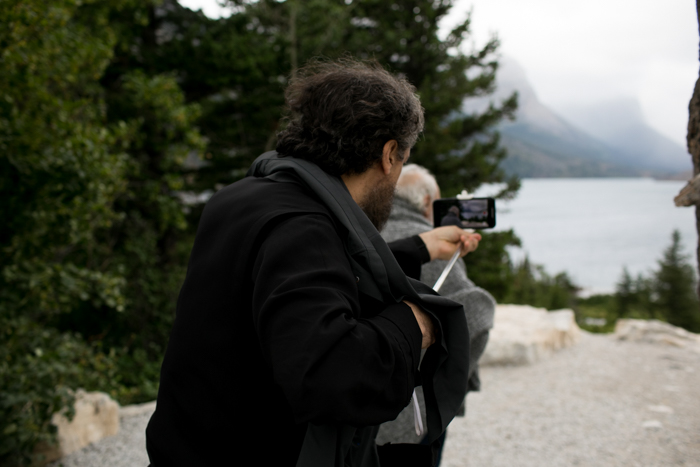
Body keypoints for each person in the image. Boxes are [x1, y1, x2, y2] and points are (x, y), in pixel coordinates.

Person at [145, 59, 480, 467]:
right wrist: (416, 323)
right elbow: (333, 376)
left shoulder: (243, 198)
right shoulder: (304, 227)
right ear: (389, 153)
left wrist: (418, 248)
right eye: (403, 160)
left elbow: (311, 281)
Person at [377, 164, 496, 465]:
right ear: (428, 202)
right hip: (416, 403)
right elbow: (473, 318)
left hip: (365, 395)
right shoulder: (436, 251)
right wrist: (451, 381)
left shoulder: (366, 236)